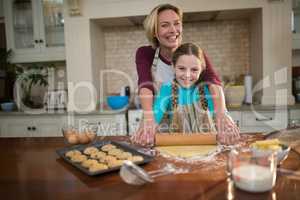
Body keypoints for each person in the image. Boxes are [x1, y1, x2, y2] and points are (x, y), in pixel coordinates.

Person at [131, 3, 239, 146]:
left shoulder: (194, 53)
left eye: (177, 24)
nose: (173, 30)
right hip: (163, 130)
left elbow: (213, 82)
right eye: (165, 25)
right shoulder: (146, 54)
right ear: (154, 31)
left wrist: (221, 114)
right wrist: (149, 120)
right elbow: (145, 85)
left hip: (202, 138)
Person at [153, 43, 217, 134]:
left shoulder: (207, 90)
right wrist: (146, 130)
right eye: (182, 68)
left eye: (194, 70)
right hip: (178, 147)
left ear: (202, 69)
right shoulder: (167, 89)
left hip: (207, 146)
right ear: (173, 67)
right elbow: (155, 116)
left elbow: (218, 120)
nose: (187, 75)